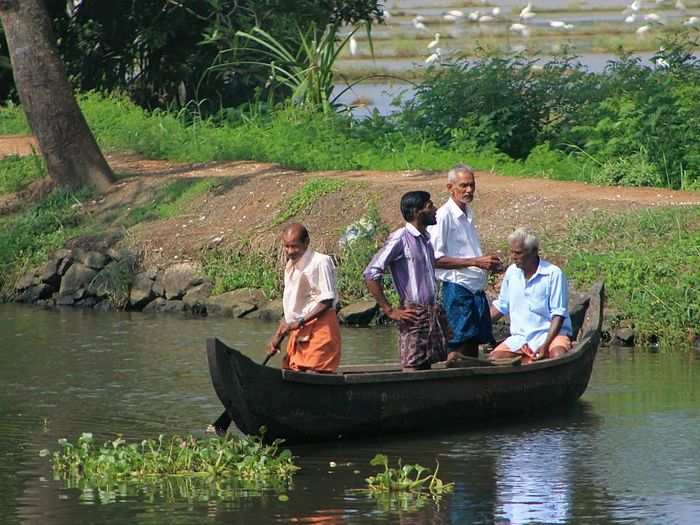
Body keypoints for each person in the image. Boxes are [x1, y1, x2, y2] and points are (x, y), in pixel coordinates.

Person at [363, 191, 451, 371]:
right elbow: (371, 274)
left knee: (435, 362)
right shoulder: (400, 238)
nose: (435, 210)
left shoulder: (426, 239)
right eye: (430, 206)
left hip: (432, 311)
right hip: (413, 313)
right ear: (417, 211)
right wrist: (389, 310)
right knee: (412, 364)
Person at [428, 164, 502, 358]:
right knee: (458, 342)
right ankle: (453, 381)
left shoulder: (468, 213)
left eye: (471, 185)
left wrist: (485, 264)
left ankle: (470, 381)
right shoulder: (443, 216)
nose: (469, 190)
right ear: (450, 188)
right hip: (457, 288)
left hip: (474, 288)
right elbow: (434, 259)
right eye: (463, 186)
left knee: (474, 341)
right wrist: (476, 262)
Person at [489, 228, 572, 364]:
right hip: (520, 338)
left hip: (551, 335)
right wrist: (478, 327)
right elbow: (502, 305)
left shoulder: (553, 274)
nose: (513, 257)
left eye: (518, 253)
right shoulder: (512, 272)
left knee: (557, 356)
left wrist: (545, 345)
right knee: (494, 360)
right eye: (512, 252)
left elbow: (558, 314)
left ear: (533, 252)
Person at [266, 223, 341, 372]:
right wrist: (278, 336)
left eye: (294, 246)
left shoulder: (320, 262)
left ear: (306, 242)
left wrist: (299, 322)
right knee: (292, 370)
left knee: (314, 372)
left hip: (320, 331)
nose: (290, 251)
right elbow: (292, 310)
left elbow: (327, 300)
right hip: (299, 333)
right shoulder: (290, 267)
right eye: (286, 247)